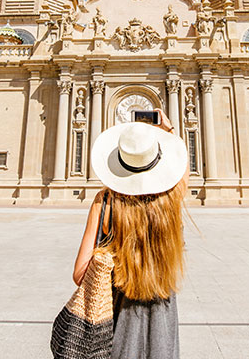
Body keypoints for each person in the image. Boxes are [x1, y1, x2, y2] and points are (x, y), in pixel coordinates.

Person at [72, 109, 189, 359]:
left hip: (116, 317)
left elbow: (79, 273)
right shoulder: (171, 201)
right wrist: (169, 132)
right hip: (163, 318)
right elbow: (182, 173)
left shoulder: (104, 203)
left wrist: (112, 253)